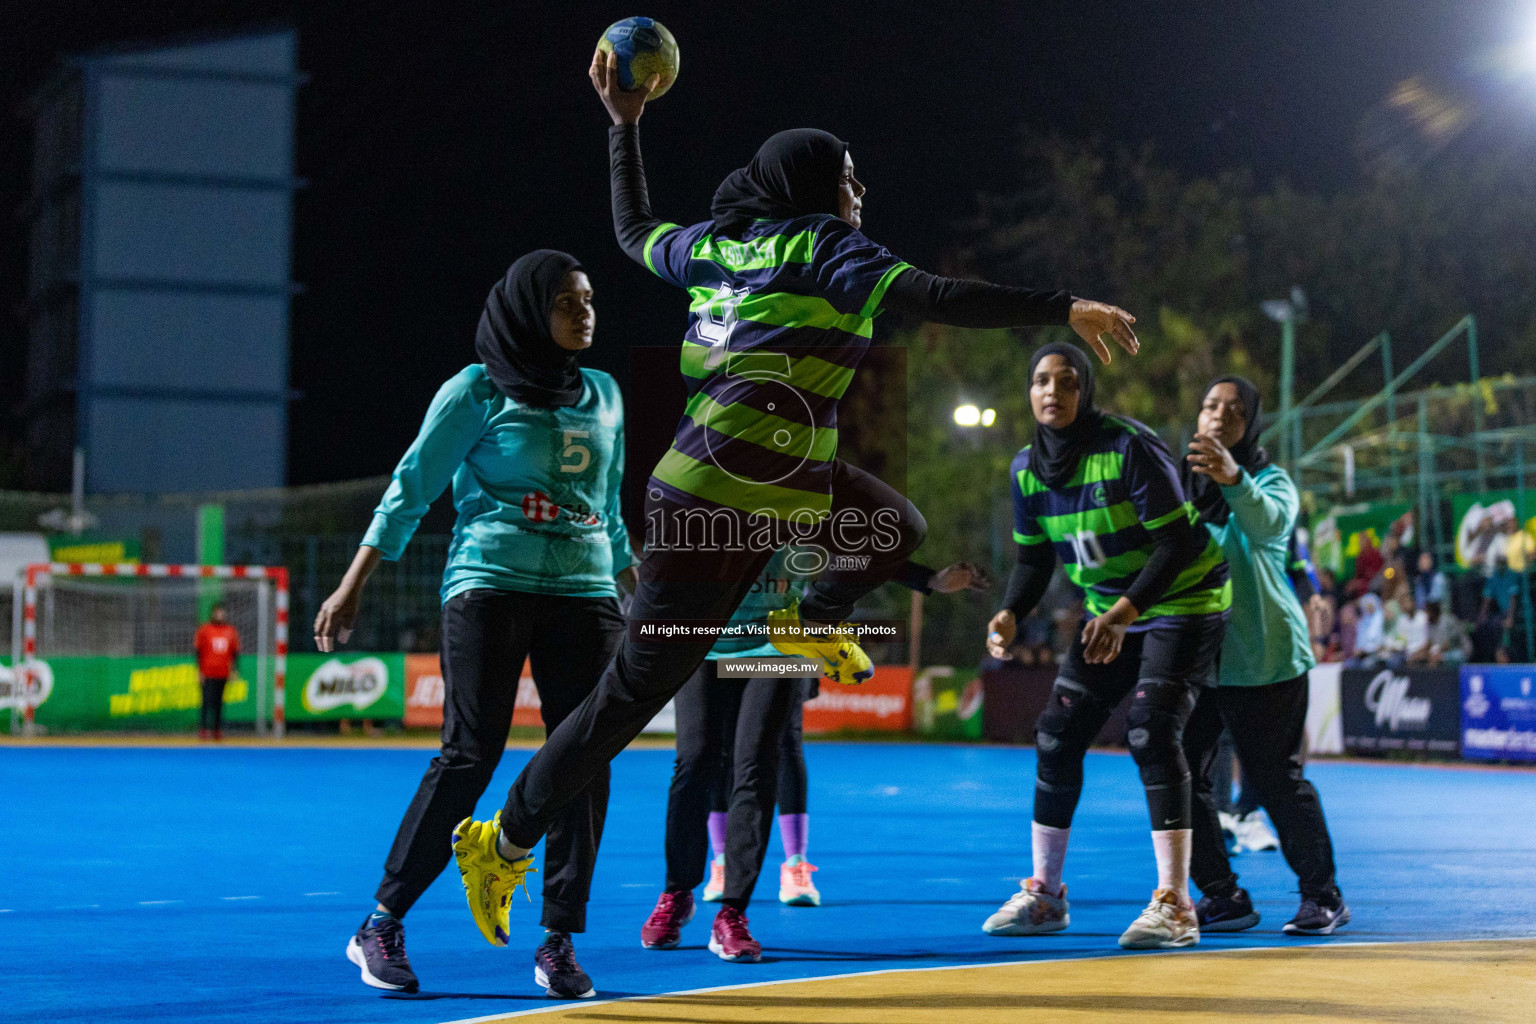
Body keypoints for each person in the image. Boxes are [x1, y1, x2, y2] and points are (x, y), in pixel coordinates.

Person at [445, 50, 1143, 961]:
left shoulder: (715, 247)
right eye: (847, 174)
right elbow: (936, 297)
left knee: (894, 527)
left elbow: (631, 231)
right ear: (813, 185)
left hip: (754, 488)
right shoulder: (825, 248)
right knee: (628, 699)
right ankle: (500, 840)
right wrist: (1064, 303)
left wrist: (625, 127)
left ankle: (812, 622)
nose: (860, 186)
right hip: (722, 501)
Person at [316, 251, 632, 1000]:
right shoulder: (477, 390)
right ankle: (381, 923)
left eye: (589, 299)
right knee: (470, 753)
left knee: (584, 761)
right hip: (490, 583)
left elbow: (610, 506)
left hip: (587, 593)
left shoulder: (606, 394)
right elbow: (412, 486)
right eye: (565, 301)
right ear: (529, 310)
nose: (584, 312)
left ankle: (558, 940)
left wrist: (632, 587)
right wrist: (353, 583)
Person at [981, 343, 1229, 951]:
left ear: (1084, 391)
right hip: (1110, 614)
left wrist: (1123, 612)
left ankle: (1176, 906)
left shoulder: (1126, 448)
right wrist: (1011, 611)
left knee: (1149, 730)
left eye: (1067, 382)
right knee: (1056, 736)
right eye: (1041, 380)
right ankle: (1045, 896)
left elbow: (1177, 543)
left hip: (1182, 601)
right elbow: (1034, 556)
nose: (1052, 392)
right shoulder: (1025, 470)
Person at [641, 553, 986, 960]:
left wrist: (929, 578)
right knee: (694, 762)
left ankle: (732, 912)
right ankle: (677, 893)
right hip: (704, 643)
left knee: (756, 766)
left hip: (778, 644)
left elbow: (855, 547)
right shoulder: (709, 502)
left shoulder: (799, 502)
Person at [1178, 375, 1349, 937]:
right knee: (1182, 777)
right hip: (1195, 660)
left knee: (1275, 778)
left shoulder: (1272, 482)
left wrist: (1232, 477)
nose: (1219, 415)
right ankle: (1222, 895)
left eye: (1233, 409)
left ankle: (1322, 896)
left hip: (1266, 657)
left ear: (1249, 425)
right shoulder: (1175, 488)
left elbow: (1268, 525)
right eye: (1210, 405)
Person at [193, 602, 240, 741]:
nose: (220, 614)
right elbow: (197, 651)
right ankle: (203, 728)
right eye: (217, 612)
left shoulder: (230, 631)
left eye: (222, 612)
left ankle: (217, 729)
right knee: (206, 701)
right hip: (207, 672)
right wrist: (199, 671)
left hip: (223, 672)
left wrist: (233, 670)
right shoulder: (205, 630)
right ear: (213, 613)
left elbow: (235, 653)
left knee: (219, 702)